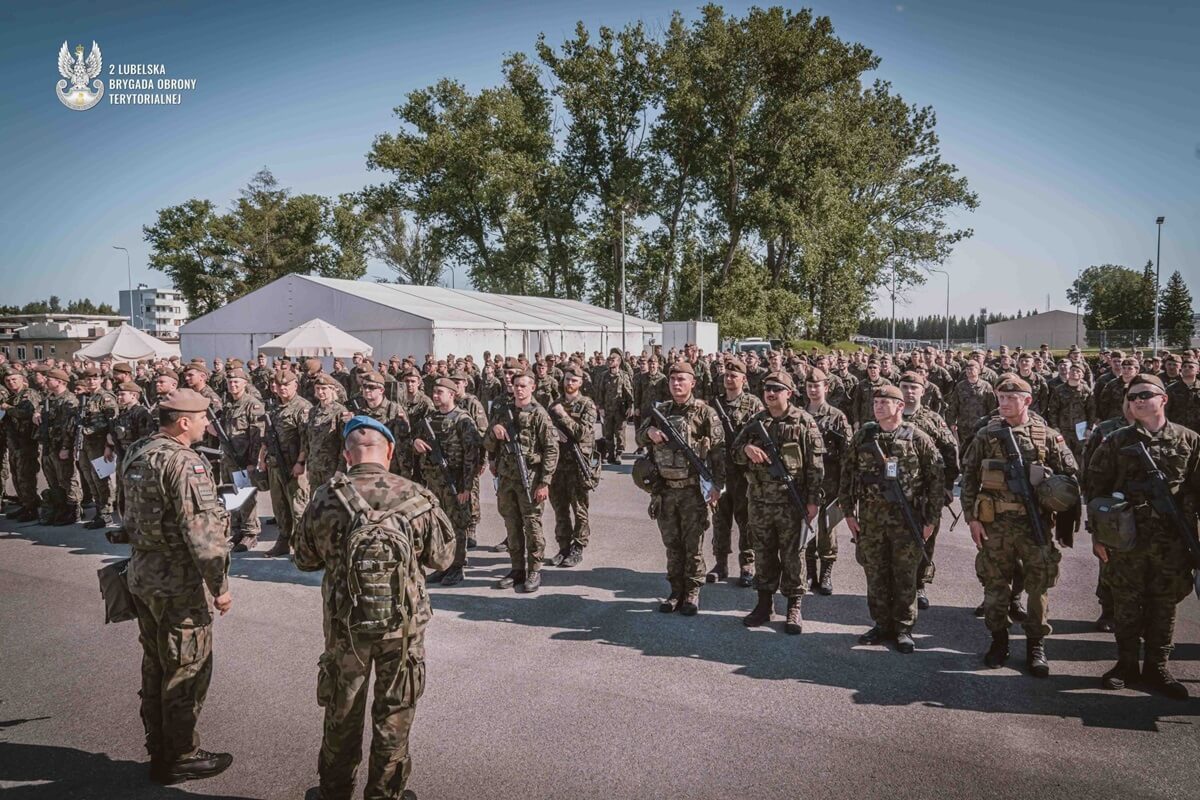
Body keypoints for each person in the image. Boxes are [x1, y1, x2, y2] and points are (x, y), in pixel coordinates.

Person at [294, 415, 455, 800]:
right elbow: (444, 558)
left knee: (342, 710)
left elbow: (303, 558)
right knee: (395, 712)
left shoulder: (325, 496)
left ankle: (334, 791)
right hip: (402, 627)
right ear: (391, 452)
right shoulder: (416, 496)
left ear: (347, 455)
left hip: (345, 624)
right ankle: (385, 793)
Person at [122, 388, 234, 785]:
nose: (207, 423)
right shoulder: (186, 464)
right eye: (204, 417)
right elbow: (203, 536)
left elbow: (124, 512)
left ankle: (159, 746)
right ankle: (181, 754)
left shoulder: (138, 451)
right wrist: (220, 586)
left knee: (155, 664)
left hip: (142, 575)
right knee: (186, 666)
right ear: (183, 422)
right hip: (177, 584)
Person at [1086, 374, 1200, 699]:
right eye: (1132, 396)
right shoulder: (1116, 440)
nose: (1137, 400)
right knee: (1125, 603)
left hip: (1172, 542)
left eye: (1145, 394)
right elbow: (1096, 490)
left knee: (1164, 605)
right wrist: (1097, 536)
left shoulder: (1188, 440)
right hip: (1125, 540)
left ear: (1163, 399)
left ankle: (1157, 667)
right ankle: (1125, 664)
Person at [960, 374, 1079, 676]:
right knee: (995, 585)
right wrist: (972, 519)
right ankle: (999, 641)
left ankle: (1036, 645)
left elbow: (1071, 479)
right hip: (995, 523)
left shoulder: (1047, 436)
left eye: (1011, 398)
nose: (1004, 403)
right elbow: (970, 477)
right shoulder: (986, 435)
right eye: (1000, 397)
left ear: (1027, 400)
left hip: (1034, 523)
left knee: (1038, 587)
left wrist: (1052, 492)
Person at [840, 384, 943, 653]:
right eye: (876, 402)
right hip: (871, 519)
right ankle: (881, 624)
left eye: (885, 402)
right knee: (875, 573)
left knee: (904, 575)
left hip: (906, 521)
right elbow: (847, 473)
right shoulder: (864, 435)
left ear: (899, 406)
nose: (878, 406)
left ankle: (903, 627)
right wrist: (849, 512)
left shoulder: (918, 438)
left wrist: (931, 520)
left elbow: (935, 480)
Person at [733, 371, 824, 633]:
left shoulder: (804, 422)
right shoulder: (756, 421)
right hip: (760, 501)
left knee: (793, 555)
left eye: (776, 389)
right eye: (766, 389)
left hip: (791, 503)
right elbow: (734, 453)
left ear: (789, 393)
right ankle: (764, 605)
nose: (770, 393)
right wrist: (746, 450)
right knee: (763, 554)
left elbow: (815, 468)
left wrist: (813, 501)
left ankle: (794, 606)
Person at [636, 361, 726, 615]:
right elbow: (639, 435)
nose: (677, 384)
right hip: (665, 490)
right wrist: (650, 432)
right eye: (673, 379)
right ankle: (675, 590)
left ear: (693, 382)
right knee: (672, 544)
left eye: (682, 379)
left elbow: (719, 451)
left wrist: (717, 485)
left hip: (692, 491)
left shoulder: (705, 413)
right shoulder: (660, 410)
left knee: (692, 544)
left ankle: (692, 591)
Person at [484, 370, 559, 592]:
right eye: (516, 385)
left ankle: (534, 570)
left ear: (532, 387)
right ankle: (517, 569)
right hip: (507, 479)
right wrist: (493, 430)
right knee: (512, 525)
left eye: (523, 385)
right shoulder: (502, 411)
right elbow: (488, 445)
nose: (519, 389)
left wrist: (545, 482)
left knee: (532, 526)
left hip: (531, 479)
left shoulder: (539, 414)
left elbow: (551, 450)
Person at [898, 371, 960, 610]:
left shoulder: (933, 420)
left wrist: (946, 486)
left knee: (925, 539)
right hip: (894, 493)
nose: (909, 391)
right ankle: (897, 586)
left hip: (925, 494)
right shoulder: (890, 416)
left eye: (914, 387)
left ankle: (919, 583)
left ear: (923, 391)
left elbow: (950, 452)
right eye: (904, 387)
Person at [413, 377, 481, 586]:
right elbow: (415, 438)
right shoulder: (429, 418)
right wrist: (415, 442)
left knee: (457, 525)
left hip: (455, 482)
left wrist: (466, 487)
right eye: (434, 392)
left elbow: (472, 456)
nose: (435, 396)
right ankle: (444, 566)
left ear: (451, 395)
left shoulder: (463, 420)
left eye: (439, 392)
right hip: (434, 482)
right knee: (438, 525)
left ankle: (457, 567)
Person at [709, 358, 764, 586]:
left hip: (744, 474)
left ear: (744, 379)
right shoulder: (714, 404)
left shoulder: (753, 404)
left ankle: (747, 565)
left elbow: (762, 436)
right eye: (727, 376)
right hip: (720, 472)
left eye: (734, 376)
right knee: (720, 521)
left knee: (746, 521)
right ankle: (720, 564)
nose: (729, 379)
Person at [803, 368, 853, 595]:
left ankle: (826, 572)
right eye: (810, 386)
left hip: (830, 480)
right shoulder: (800, 415)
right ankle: (810, 572)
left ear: (827, 387)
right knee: (807, 525)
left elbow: (848, 453)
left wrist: (846, 486)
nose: (813, 390)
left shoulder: (837, 416)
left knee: (827, 528)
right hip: (805, 481)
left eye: (818, 386)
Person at [546, 364, 598, 568]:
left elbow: (581, 433)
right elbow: (546, 432)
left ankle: (578, 547)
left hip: (578, 464)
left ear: (581, 383)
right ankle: (563, 547)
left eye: (574, 380)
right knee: (560, 508)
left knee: (579, 509)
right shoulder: (554, 404)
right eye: (567, 379)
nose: (569, 383)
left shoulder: (587, 405)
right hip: (558, 464)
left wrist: (563, 417)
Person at [256, 370, 312, 558]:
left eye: (286, 385)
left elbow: (306, 440)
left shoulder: (302, 407)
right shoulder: (273, 409)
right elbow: (265, 438)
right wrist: (262, 459)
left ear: (295, 385)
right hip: (275, 465)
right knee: (279, 506)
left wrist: (300, 462)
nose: (282, 389)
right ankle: (283, 541)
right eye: (279, 386)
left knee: (298, 507)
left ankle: (303, 547)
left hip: (294, 466)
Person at [37, 368, 82, 525]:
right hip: (49, 444)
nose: (46, 381)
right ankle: (60, 507)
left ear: (60, 382)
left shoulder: (69, 400)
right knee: (53, 479)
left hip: (61, 445)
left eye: (49, 378)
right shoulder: (50, 398)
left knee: (67, 479)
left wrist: (66, 447)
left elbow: (69, 428)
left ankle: (73, 510)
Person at [2, 369, 42, 521]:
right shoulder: (13, 397)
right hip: (15, 441)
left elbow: (26, 413)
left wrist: (7, 408)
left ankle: (31, 508)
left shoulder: (28, 394)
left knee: (26, 475)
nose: (11, 383)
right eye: (8, 381)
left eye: (14, 379)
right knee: (17, 474)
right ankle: (25, 504)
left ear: (22, 379)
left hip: (26, 441)